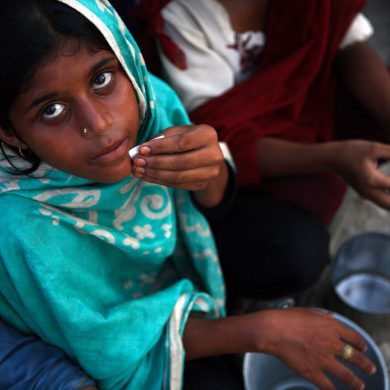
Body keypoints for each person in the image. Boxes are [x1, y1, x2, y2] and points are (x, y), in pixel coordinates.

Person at [0, 0, 377, 389]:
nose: (99, 124)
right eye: (52, 109)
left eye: (101, 80)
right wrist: (262, 331)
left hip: (183, 258)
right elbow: (109, 348)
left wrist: (212, 172)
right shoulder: (18, 227)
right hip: (126, 337)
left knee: (295, 247)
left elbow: (211, 207)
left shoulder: (151, 106)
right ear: (10, 133)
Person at [132, 0, 390, 304]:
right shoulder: (180, 14)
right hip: (239, 153)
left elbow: (347, 39)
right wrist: (335, 157)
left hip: (307, 105)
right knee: (296, 244)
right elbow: (219, 141)